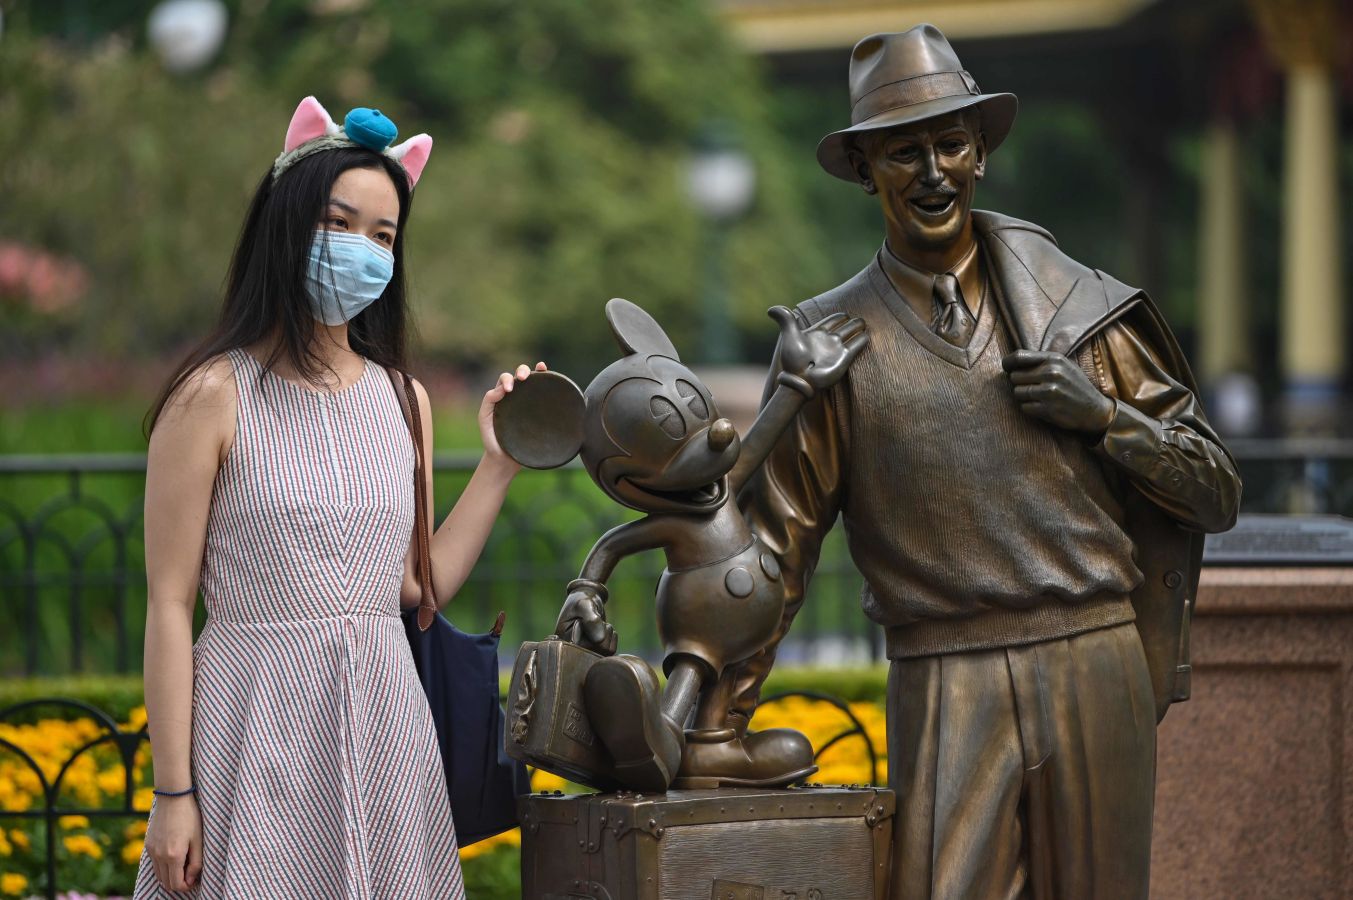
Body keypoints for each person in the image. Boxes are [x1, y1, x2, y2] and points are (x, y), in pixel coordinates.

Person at [699, 26, 1240, 900]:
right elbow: (777, 549)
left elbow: (1213, 492)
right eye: (903, 152)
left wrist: (1102, 416)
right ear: (866, 168)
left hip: (1093, 659)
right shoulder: (828, 343)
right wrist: (710, 717)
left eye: (950, 143)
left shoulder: (1082, 313)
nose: (931, 171)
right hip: (945, 674)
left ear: (980, 153)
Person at [134, 96, 543, 897]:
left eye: (383, 236)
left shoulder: (403, 399)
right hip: (254, 725)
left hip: (387, 728)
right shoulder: (212, 396)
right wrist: (173, 792)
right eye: (339, 223)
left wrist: (497, 465)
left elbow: (419, 588)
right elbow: (169, 603)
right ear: (285, 227)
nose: (363, 250)